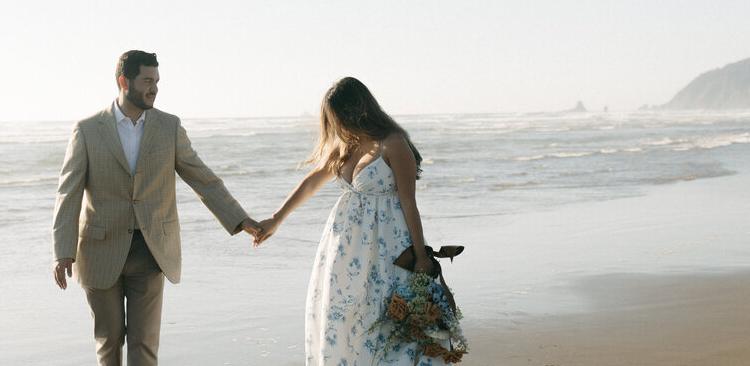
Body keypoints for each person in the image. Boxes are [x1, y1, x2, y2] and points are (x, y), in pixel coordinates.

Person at [52, 50, 260, 366]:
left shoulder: (169, 127)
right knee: (109, 343)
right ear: (124, 81)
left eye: (157, 81)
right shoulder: (88, 129)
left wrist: (239, 218)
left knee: (144, 344)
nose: (155, 88)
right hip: (98, 250)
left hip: (151, 249)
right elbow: (68, 193)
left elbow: (202, 178)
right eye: (147, 81)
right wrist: (62, 250)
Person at [253, 76, 459, 365]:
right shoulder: (349, 144)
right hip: (346, 249)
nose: (336, 126)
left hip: (387, 247)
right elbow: (313, 181)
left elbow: (409, 202)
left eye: (338, 118)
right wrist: (277, 218)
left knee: (386, 316)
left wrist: (421, 256)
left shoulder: (393, 144)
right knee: (347, 313)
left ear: (355, 110)